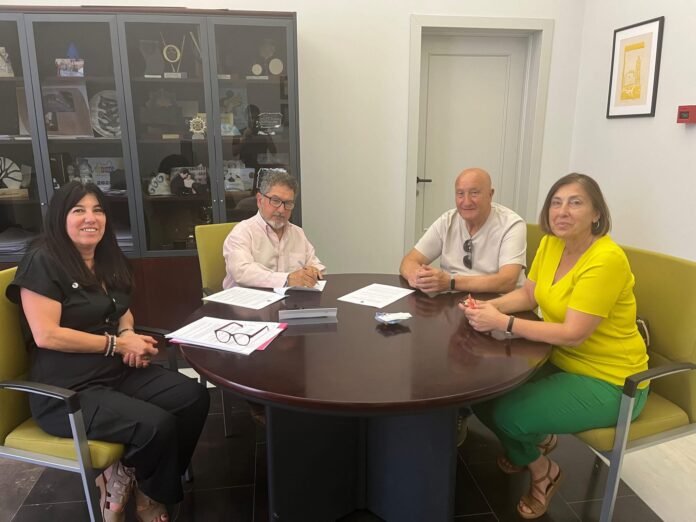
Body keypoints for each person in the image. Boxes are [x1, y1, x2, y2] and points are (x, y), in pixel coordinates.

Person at [6, 182, 210, 522]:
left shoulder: (106, 258)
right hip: (67, 391)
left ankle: (143, 483)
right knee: (156, 426)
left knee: (192, 397)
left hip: (113, 371)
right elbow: (46, 335)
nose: (91, 218)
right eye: (79, 210)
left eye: (98, 210)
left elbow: (121, 307)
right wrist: (117, 344)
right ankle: (142, 490)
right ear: (59, 217)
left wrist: (127, 333)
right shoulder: (42, 261)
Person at [461, 173, 649, 519]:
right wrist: (487, 307)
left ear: (596, 213)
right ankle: (534, 442)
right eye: (556, 203)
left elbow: (574, 334)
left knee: (508, 415)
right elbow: (529, 295)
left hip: (613, 381)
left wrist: (503, 323)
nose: (562, 211)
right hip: (561, 359)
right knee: (482, 393)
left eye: (575, 203)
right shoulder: (551, 244)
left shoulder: (606, 259)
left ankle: (543, 471)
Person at [400, 167, 526, 295]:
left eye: (474, 193)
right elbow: (409, 261)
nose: (466, 202)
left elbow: (507, 281)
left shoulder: (511, 224)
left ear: (490, 194)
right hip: (452, 300)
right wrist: (419, 277)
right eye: (460, 194)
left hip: (499, 302)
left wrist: (451, 282)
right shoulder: (447, 221)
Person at [222, 170, 325, 289]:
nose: (281, 210)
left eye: (288, 203)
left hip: (289, 298)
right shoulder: (242, 232)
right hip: (246, 299)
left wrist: (313, 271)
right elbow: (242, 272)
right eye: (275, 201)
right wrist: (287, 279)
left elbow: (316, 265)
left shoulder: (297, 233)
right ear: (260, 200)